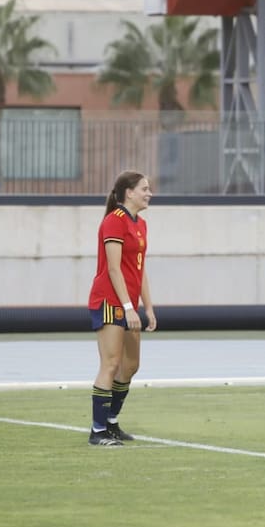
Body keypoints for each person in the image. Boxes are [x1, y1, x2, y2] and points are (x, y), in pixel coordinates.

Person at [88, 171, 157, 446]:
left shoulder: (141, 224)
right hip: (109, 302)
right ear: (129, 192)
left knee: (130, 365)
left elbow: (139, 271)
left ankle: (112, 422)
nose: (149, 193)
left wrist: (148, 308)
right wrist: (128, 306)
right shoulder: (114, 222)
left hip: (129, 304)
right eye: (144, 188)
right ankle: (98, 431)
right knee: (111, 363)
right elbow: (114, 269)